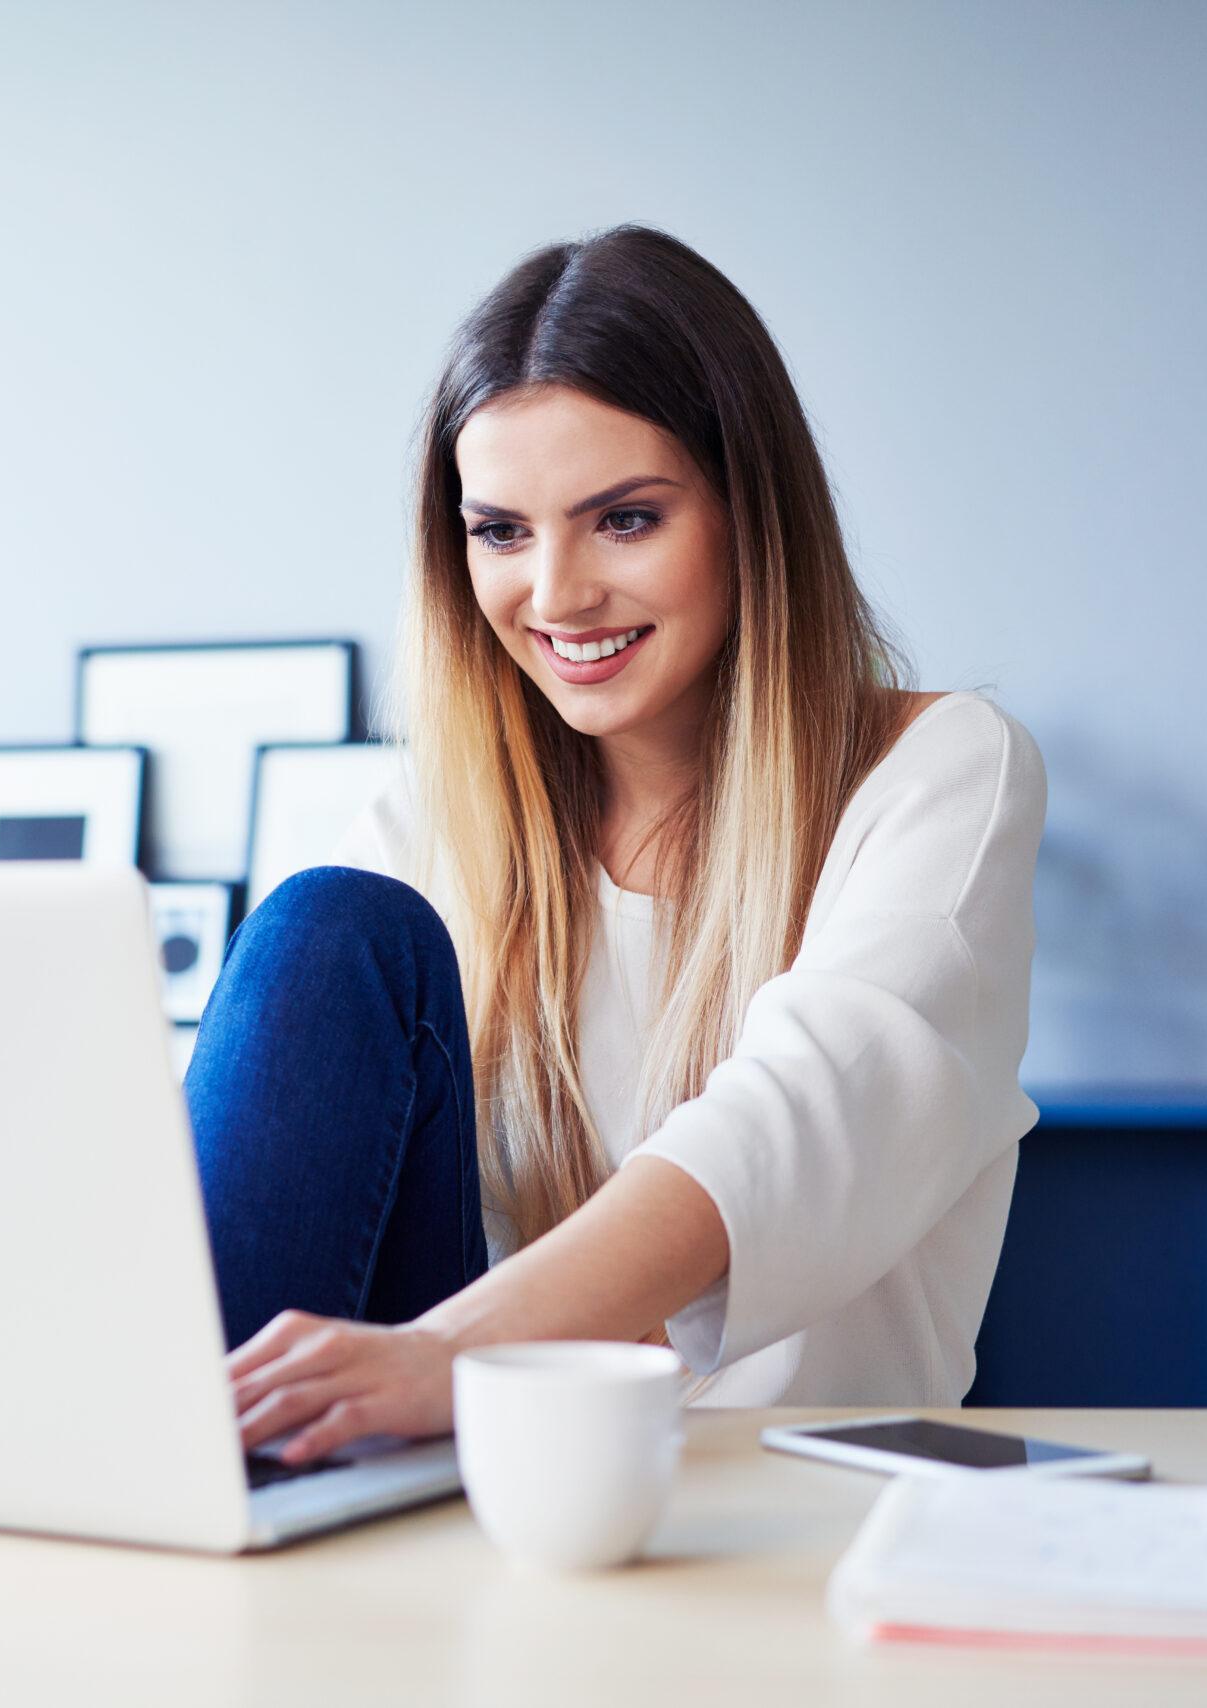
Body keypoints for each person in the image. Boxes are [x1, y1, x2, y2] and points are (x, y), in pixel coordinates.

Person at [191, 224, 1047, 1466]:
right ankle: (194, 1494)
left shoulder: (941, 772)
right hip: (474, 1479)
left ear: (749, 513)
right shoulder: (428, 830)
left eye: (625, 519)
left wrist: (442, 1359)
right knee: (326, 931)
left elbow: (793, 1122)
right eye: (500, 532)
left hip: (772, 1492)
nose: (555, 594)